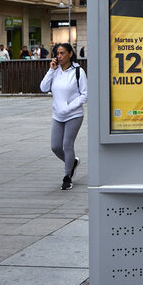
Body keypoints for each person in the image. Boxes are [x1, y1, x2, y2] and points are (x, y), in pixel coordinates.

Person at [40, 43, 88, 191]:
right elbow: (43, 88)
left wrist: (68, 107)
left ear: (70, 54)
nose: (59, 56)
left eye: (62, 53)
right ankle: (72, 162)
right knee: (55, 147)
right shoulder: (55, 71)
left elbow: (84, 95)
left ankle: (67, 176)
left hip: (74, 114)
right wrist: (50, 70)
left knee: (67, 145)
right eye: (57, 53)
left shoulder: (78, 72)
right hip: (57, 115)